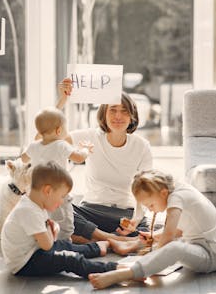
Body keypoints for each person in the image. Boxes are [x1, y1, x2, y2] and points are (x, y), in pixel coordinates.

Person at [57, 78, 153, 243]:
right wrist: (63, 100)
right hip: (91, 211)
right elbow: (52, 136)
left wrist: (136, 220)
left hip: (125, 214)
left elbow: (145, 192)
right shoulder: (91, 136)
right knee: (60, 210)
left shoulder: (142, 146)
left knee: (145, 232)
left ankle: (99, 241)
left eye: (124, 111)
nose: (118, 116)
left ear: (132, 116)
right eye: (113, 110)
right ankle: (112, 241)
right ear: (103, 114)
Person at [88, 170, 216, 289]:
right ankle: (139, 261)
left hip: (210, 254)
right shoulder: (179, 189)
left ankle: (126, 274)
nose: (150, 209)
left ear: (163, 193)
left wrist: (156, 257)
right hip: (200, 245)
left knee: (173, 248)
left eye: (151, 205)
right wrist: (153, 236)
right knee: (161, 247)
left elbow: (169, 236)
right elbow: (181, 229)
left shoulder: (177, 198)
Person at [0, 161, 120, 278]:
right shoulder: (29, 212)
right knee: (69, 259)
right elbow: (47, 245)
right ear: (48, 191)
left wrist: (50, 229)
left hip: (33, 250)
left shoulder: (33, 204)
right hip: (25, 263)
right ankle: (111, 269)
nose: (62, 201)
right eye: (62, 196)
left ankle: (96, 248)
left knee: (64, 244)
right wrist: (53, 231)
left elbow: (45, 238)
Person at [21, 107, 93, 240]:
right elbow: (79, 158)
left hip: (39, 193)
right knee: (65, 221)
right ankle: (64, 242)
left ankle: (47, 239)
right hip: (58, 193)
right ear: (59, 130)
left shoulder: (34, 146)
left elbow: (23, 159)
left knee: (44, 219)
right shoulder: (61, 145)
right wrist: (85, 149)